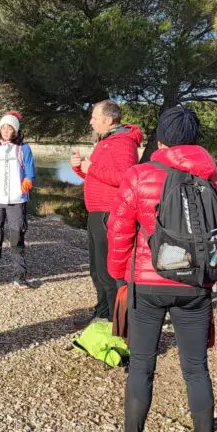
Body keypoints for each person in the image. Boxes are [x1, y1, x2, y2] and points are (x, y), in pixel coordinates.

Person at [103, 106, 217, 432]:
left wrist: (120, 275)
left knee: (142, 365)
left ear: (160, 139)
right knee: (196, 369)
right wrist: (215, 273)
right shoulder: (216, 177)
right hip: (196, 285)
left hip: (147, 284)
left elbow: (119, 230)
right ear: (196, 140)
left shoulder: (140, 175)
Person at [70, 101, 142, 320]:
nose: (91, 121)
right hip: (97, 214)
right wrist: (79, 168)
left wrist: (91, 167)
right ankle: (102, 315)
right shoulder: (107, 141)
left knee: (108, 272)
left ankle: (116, 323)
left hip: (109, 215)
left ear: (108, 120)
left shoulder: (123, 143)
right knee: (97, 270)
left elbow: (125, 178)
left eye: (94, 117)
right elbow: (100, 178)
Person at [0, 112, 36, 288]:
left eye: (10, 127)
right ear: (0, 129)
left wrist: (22, 189)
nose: (6, 130)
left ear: (15, 130)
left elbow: (30, 173)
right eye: (3, 127)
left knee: (17, 238)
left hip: (17, 202)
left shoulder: (24, 149)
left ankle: (20, 276)